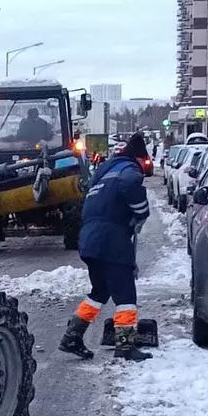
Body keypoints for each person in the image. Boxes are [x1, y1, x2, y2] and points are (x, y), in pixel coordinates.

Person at [59, 131, 152, 362]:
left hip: (89, 240)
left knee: (99, 292)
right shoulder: (128, 171)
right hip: (112, 241)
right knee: (126, 295)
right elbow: (131, 185)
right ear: (138, 158)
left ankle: (72, 336)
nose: (144, 168)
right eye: (144, 162)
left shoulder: (103, 173)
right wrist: (142, 211)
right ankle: (125, 345)